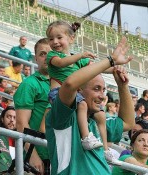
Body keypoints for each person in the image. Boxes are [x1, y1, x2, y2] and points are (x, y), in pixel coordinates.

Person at [45, 37, 134, 175]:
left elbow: (128, 122)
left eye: (104, 90)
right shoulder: (62, 118)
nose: (103, 96)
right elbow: (68, 84)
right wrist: (110, 60)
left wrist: (122, 86)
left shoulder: (98, 122)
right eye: (96, 89)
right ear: (79, 90)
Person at [46, 20, 109, 152]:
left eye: (59, 37)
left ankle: (106, 149)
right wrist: (80, 55)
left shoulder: (78, 60)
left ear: (71, 38)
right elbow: (61, 62)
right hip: (57, 93)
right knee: (83, 104)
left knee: (100, 114)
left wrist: (114, 67)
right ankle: (86, 138)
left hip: (74, 94)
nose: (55, 42)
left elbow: (97, 68)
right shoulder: (52, 55)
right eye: (51, 39)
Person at [13, 38, 51, 175]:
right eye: (42, 54)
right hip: (37, 157)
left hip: (56, 156)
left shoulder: (62, 84)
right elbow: (21, 123)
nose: (47, 57)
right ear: (36, 58)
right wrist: (33, 155)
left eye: (50, 54)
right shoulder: (29, 84)